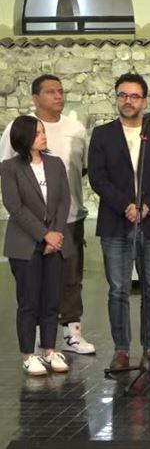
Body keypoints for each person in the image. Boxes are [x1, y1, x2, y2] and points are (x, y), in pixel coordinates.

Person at [0, 75, 95, 355]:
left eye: (60, 91)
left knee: (70, 280)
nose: (58, 96)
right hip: (31, 226)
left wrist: (56, 220)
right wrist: (42, 230)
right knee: (34, 286)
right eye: (51, 92)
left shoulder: (76, 129)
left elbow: (81, 170)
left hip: (68, 217)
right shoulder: (18, 129)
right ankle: (40, 339)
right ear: (35, 98)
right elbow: (10, 172)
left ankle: (72, 334)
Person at [88, 73, 150, 370]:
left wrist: (147, 206)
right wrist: (125, 205)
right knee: (118, 289)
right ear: (116, 98)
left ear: (145, 100)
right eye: (123, 95)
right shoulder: (102, 134)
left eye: (134, 96)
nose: (128, 101)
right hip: (115, 222)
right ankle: (121, 349)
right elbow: (98, 178)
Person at [1, 115, 72, 375]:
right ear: (24, 138)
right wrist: (44, 235)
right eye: (38, 133)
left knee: (52, 300)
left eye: (43, 132)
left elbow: (64, 201)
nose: (44, 136)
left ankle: (50, 351)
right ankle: (28, 355)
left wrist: (55, 234)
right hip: (25, 244)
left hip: (55, 242)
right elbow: (15, 207)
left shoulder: (55, 164)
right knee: (29, 301)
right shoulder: (9, 168)